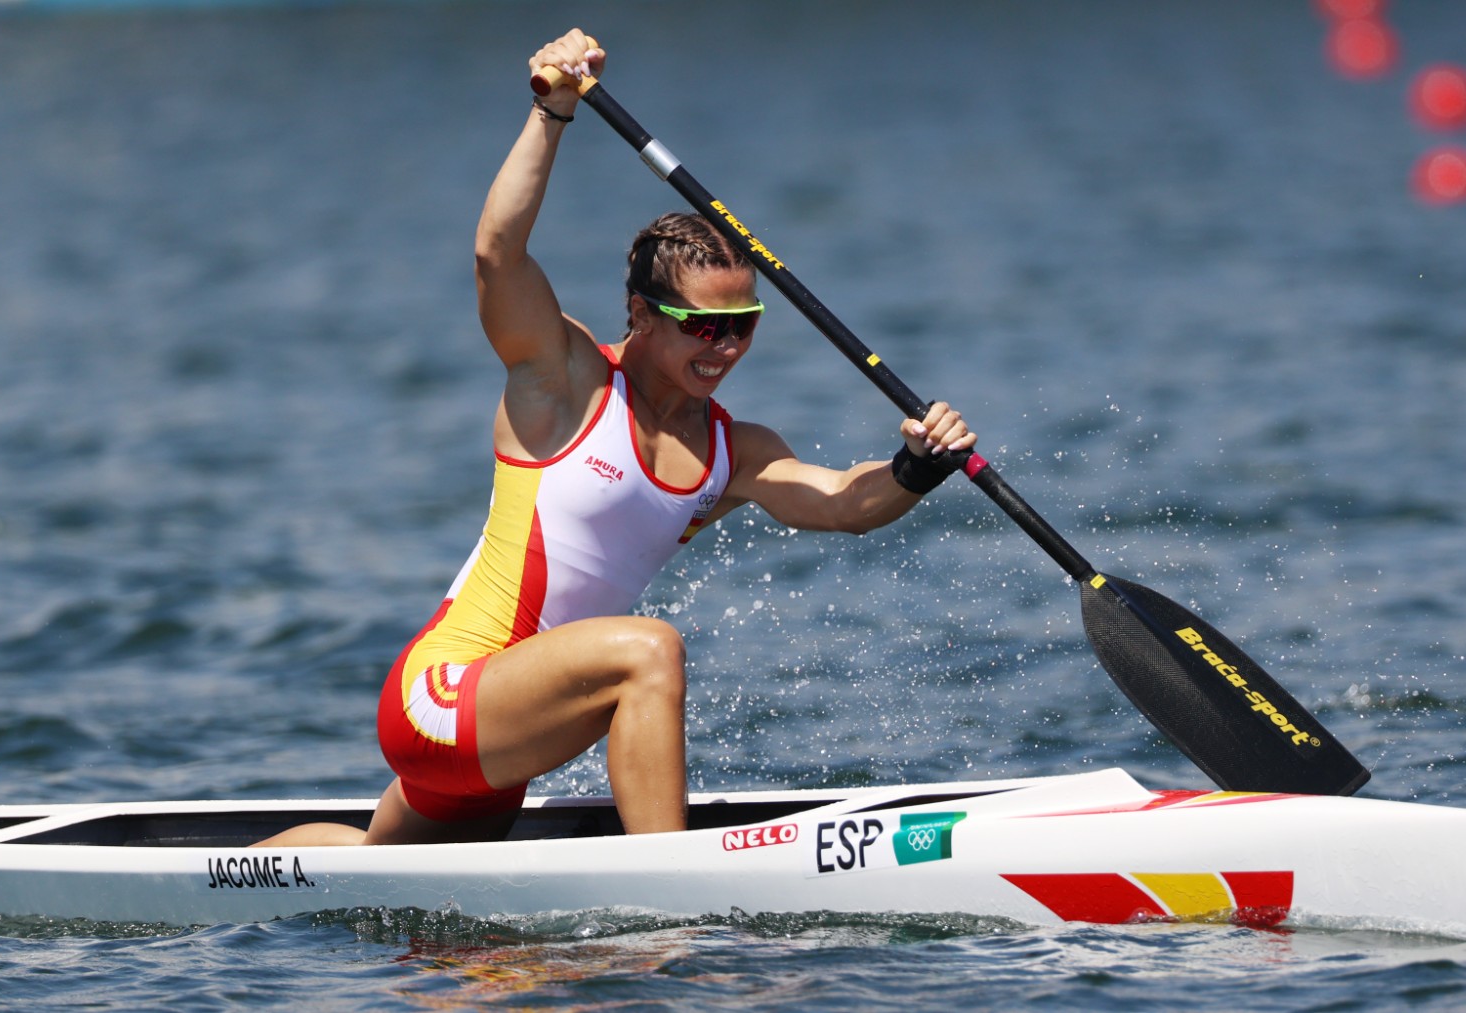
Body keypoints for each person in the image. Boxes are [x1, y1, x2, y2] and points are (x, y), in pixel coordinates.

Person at [256, 30, 975, 848]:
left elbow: (845, 503)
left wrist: (919, 465)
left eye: (741, 325)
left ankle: (232, 883)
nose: (724, 347)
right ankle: (672, 894)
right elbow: (498, 254)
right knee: (650, 651)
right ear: (639, 313)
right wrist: (552, 111)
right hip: (440, 694)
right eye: (701, 325)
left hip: (512, 727)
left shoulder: (732, 451)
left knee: (381, 876)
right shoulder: (564, 381)